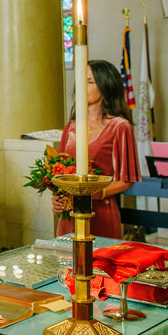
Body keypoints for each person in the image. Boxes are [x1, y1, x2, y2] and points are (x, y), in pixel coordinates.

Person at [53, 59, 140, 240]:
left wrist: (95, 193)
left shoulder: (119, 126)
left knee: (99, 265)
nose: (82, 86)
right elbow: (58, 172)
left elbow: (127, 180)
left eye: (90, 81)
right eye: (81, 80)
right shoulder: (70, 127)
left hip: (101, 213)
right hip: (69, 215)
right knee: (66, 264)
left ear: (105, 85)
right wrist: (58, 199)